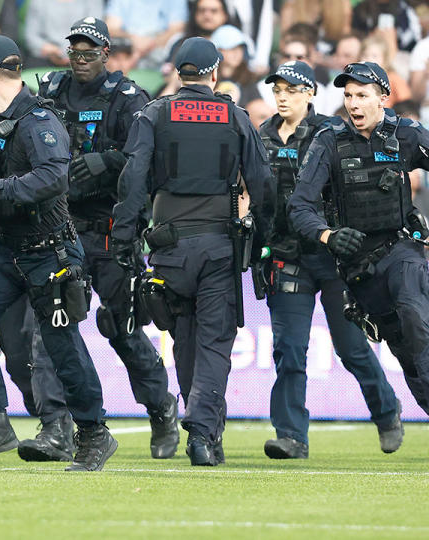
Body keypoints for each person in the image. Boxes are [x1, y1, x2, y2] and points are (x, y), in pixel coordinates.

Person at [111, 37, 274, 466]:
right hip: (220, 244)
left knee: (182, 337)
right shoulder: (236, 118)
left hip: (168, 246)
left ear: (177, 71)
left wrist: (124, 236)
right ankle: (202, 432)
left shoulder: (154, 114)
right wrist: (265, 244)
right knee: (215, 340)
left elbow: (132, 181)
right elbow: (262, 185)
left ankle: (202, 426)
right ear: (215, 72)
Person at [0, 35, 113, 472]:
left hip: (50, 252)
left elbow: (51, 178)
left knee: (62, 347)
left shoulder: (38, 119)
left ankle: (94, 433)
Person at [33, 17, 179, 460]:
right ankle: (56, 428)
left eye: (89, 52)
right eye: (74, 52)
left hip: (110, 231)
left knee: (121, 327)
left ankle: (161, 410)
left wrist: (106, 161)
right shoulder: (51, 93)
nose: (80, 60)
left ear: (106, 54)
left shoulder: (128, 98)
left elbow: (150, 157)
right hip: (60, 230)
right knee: (51, 329)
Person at [258, 60, 403, 459]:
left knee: (352, 347)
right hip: (287, 255)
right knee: (289, 349)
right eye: (277, 90)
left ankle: (387, 411)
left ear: (309, 93)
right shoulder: (261, 136)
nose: (282, 96)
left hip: (335, 256)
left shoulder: (331, 134)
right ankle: (291, 436)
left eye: (291, 89)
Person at [289, 61, 429, 420]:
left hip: (402, 249)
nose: (353, 104)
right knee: (405, 351)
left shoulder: (407, 135)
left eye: (362, 95)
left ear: (383, 98)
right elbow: (299, 206)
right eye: (348, 95)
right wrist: (328, 235)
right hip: (359, 268)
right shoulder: (328, 143)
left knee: (416, 318)